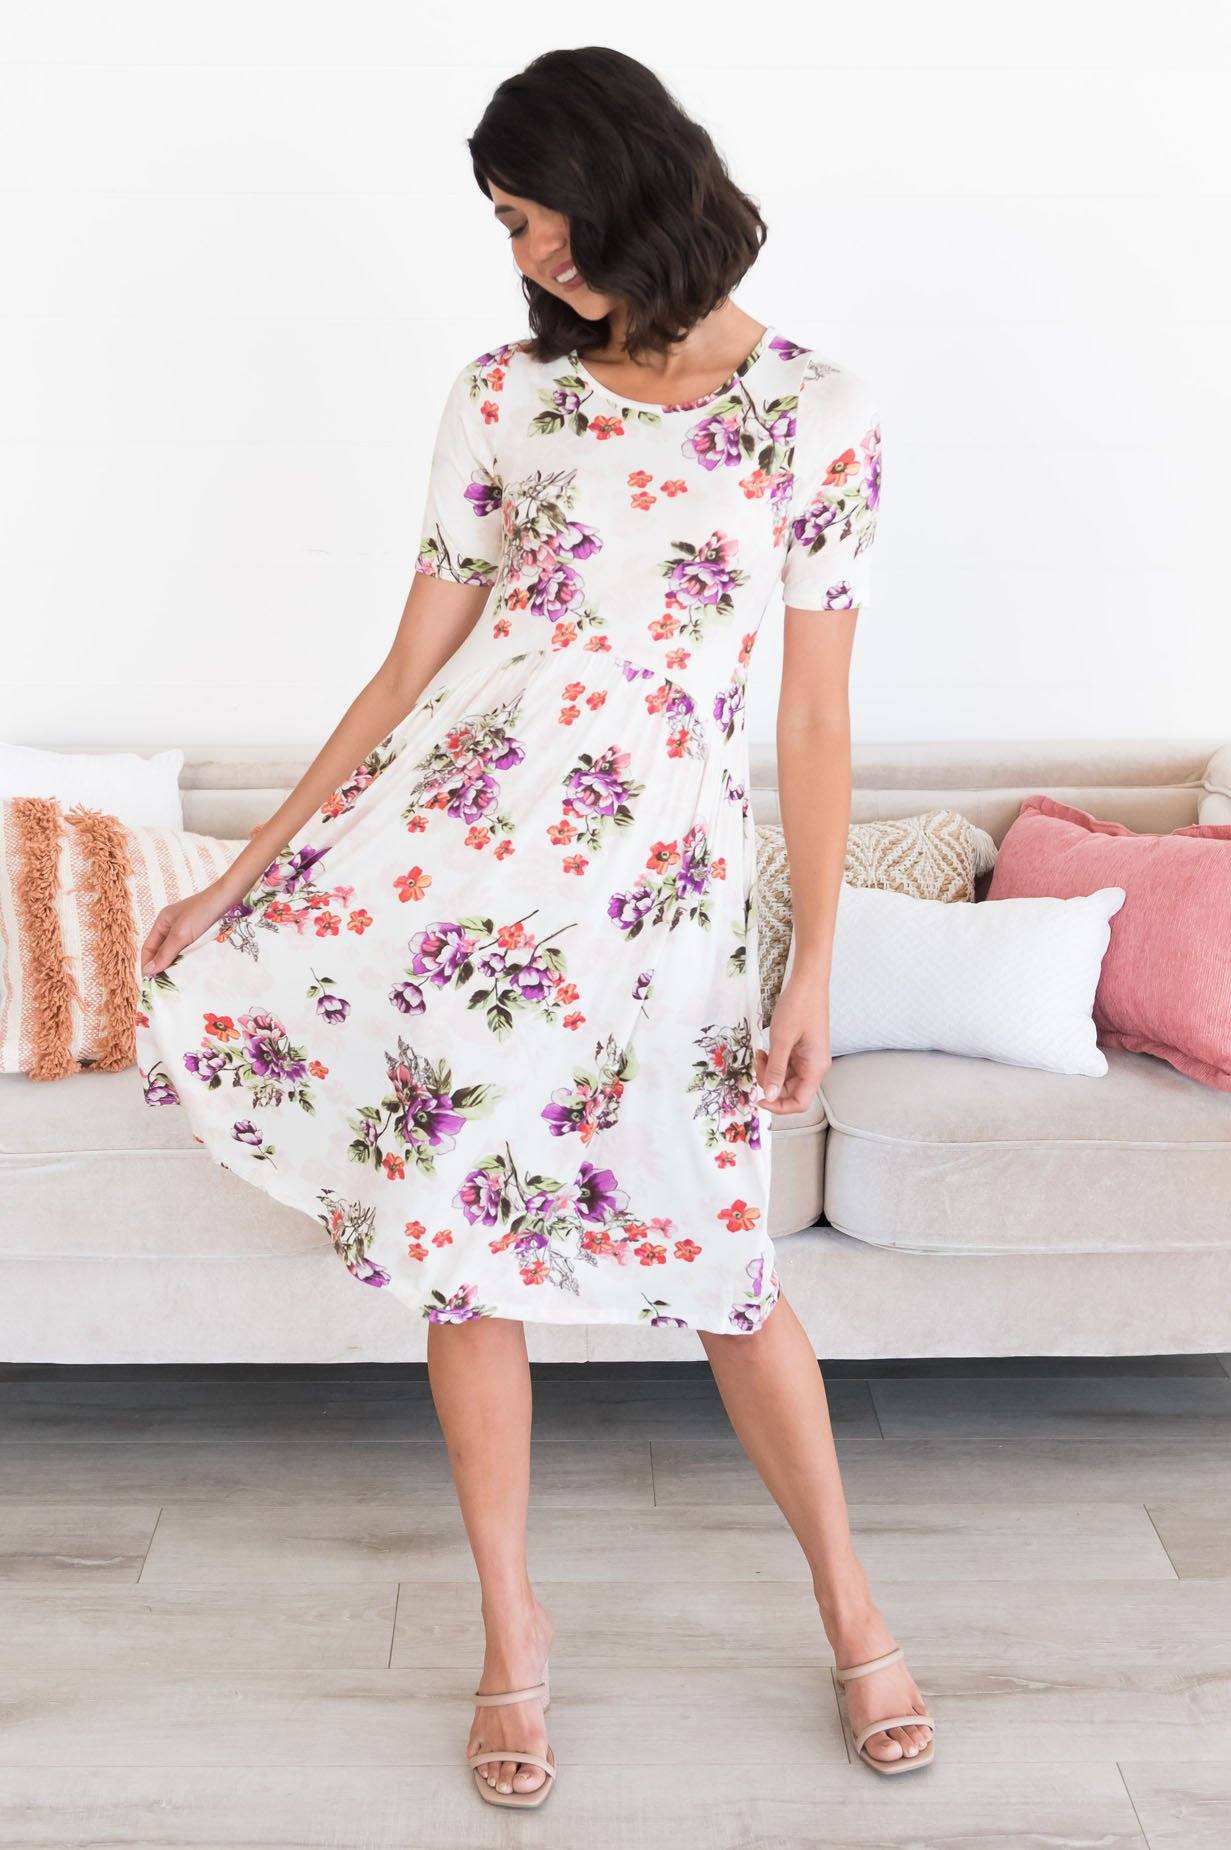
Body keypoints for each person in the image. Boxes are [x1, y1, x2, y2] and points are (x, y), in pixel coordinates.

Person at [135, 45, 932, 1811]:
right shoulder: (507, 397)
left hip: (669, 916)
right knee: (464, 1259)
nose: (524, 255)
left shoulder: (817, 410)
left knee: (729, 1271)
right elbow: (405, 673)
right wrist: (247, 874)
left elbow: (812, 719)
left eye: (532, 213)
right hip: (468, 890)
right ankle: (512, 1630)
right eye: (503, 227)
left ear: (624, 175)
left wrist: (814, 958)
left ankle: (855, 1608)